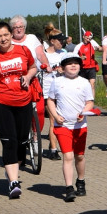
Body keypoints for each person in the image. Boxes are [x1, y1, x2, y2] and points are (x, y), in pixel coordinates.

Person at [0, 21, 38, 200]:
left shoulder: (23, 51)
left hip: (23, 101)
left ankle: (11, 170)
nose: (3, 39)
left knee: (21, 141)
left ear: (11, 35)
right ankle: (13, 182)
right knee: (9, 141)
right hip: (1, 102)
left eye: (5, 35)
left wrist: (28, 77)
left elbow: (33, 67)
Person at [47, 53, 95, 201]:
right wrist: (55, 116)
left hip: (80, 126)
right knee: (67, 156)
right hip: (62, 125)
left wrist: (84, 112)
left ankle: (80, 181)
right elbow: (50, 100)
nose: (73, 66)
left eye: (76, 63)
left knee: (79, 156)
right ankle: (69, 188)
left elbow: (90, 102)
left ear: (80, 66)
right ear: (62, 67)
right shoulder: (57, 82)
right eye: (69, 63)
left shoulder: (85, 82)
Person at [42, 32, 67, 160]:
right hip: (47, 92)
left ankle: (63, 145)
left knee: (63, 120)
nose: (62, 43)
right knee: (53, 120)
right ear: (52, 41)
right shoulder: (43, 54)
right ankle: (53, 150)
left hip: (62, 91)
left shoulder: (63, 54)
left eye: (63, 41)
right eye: (59, 40)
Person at [77, 30, 101, 97]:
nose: (88, 40)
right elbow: (73, 56)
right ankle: (83, 99)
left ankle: (92, 100)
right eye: (87, 38)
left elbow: (100, 48)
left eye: (89, 38)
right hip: (83, 68)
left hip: (92, 67)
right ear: (83, 37)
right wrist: (80, 57)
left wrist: (99, 49)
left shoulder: (92, 43)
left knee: (92, 84)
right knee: (83, 85)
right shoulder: (79, 46)